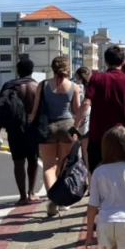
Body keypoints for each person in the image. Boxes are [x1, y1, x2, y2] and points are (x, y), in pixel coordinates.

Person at [76, 45, 125, 173]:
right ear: (123, 62)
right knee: (121, 172)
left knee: (97, 171)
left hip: (98, 135)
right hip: (120, 135)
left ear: (106, 61)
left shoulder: (96, 78)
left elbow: (86, 103)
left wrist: (75, 127)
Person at [31, 56, 82, 217]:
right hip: (67, 126)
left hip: (47, 128)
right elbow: (76, 110)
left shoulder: (43, 85)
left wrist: (31, 127)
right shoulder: (74, 86)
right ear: (67, 69)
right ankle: (64, 201)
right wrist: (77, 128)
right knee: (65, 164)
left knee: (48, 167)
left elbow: (35, 110)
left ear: (52, 68)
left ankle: (52, 198)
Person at [0, 57, 40, 205]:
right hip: (33, 129)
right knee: (33, 161)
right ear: (32, 71)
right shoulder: (37, 87)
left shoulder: (8, 86)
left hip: (14, 130)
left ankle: (22, 196)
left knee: (18, 163)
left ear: (18, 71)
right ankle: (32, 193)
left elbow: (1, 110)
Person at [73, 66, 92, 170]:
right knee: (86, 152)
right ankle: (88, 177)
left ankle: (76, 177)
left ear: (76, 75)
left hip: (74, 119)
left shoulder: (73, 86)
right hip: (87, 120)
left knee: (73, 152)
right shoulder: (90, 87)